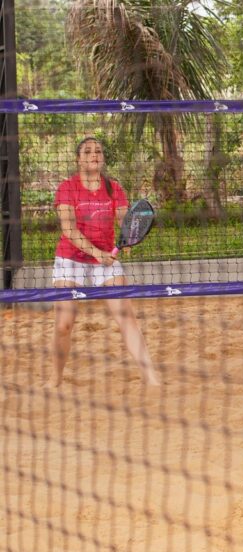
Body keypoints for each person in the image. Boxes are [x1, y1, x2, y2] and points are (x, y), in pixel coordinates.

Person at [50, 137, 160, 387]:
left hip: (105, 261)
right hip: (70, 258)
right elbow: (69, 229)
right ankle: (55, 379)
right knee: (64, 325)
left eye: (98, 151)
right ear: (78, 159)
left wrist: (129, 238)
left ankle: (151, 378)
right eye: (88, 151)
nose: (94, 155)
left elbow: (126, 221)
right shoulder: (67, 187)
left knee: (126, 318)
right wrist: (97, 253)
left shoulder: (114, 188)